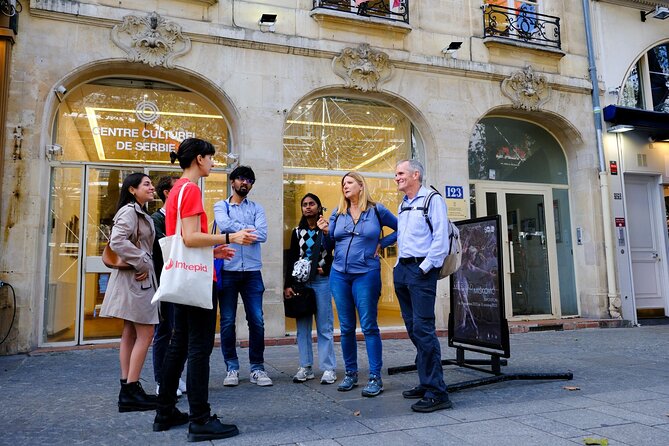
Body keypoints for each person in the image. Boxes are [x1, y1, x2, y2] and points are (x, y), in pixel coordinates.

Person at [153, 138, 257, 442]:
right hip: (197, 281)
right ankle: (199, 419)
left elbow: (183, 240)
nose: (214, 163)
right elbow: (189, 237)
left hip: (184, 275)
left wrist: (214, 250)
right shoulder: (191, 190)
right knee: (198, 348)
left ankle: (165, 411)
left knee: (179, 344)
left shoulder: (176, 192)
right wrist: (229, 236)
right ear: (199, 159)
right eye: (211, 158)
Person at [321, 171, 397, 397]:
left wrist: (382, 243)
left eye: (350, 182)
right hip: (339, 275)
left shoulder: (377, 210)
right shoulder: (338, 212)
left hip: (366, 273)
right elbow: (330, 243)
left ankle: (375, 377)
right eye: (343, 184)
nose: (345, 186)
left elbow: (402, 228)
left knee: (369, 326)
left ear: (361, 186)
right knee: (345, 328)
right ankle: (351, 374)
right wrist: (325, 230)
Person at [393, 159, 452, 412]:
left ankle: (437, 392)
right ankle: (425, 380)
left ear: (416, 174)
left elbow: (441, 239)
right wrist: (398, 266)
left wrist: (424, 268)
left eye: (401, 173)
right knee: (413, 329)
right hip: (403, 271)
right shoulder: (403, 205)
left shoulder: (432, 200)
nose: (396, 178)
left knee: (424, 330)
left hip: (420, 271)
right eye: (396, 174)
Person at [100, 172, 159, 412]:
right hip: (136, 282)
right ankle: (131, 388)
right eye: (146, 184)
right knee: (145, 334)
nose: (152, 187)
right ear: (132, 189)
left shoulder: (139, 212)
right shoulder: (129, 211)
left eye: (151, 184)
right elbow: (117, 241)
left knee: (130, 333)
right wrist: (142, 261)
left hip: (134, 281)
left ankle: (128, 388)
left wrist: (141, 261)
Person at [214, 165, 271, 387]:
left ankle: (257, 368)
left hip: (252, 273)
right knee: (227, 321)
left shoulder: (258, 208)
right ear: (232, 182)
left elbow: (263, 234)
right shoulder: (221, 206)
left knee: (257, 320)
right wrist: (248, 230)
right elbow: (224, 226)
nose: (244, 183)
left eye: (248, 180)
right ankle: (232, 367)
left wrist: (238, 233)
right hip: (228, 271)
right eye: (240, 179)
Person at [284, 193, 337, 385]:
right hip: (301, 284)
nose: (308, 207)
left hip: (322, 282)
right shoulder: (297, 232)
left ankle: (328, 368)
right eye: (304, 204)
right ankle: (305, 367)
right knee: (302, 328)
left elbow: (335, 252)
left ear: (319, 207)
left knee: (324, 326)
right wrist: (288, 285)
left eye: (312, 204)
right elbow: (291, 259)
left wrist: (327, 268)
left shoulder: (326, 231)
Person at [150, 175, 187, 397]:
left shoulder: (183, 218)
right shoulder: (156, 219)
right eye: (177, 189)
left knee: (181, 331)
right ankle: (161, 379)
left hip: (181, 280)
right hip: (164, 280)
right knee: (164, 331)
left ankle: (175, 375)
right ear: (167, 193)